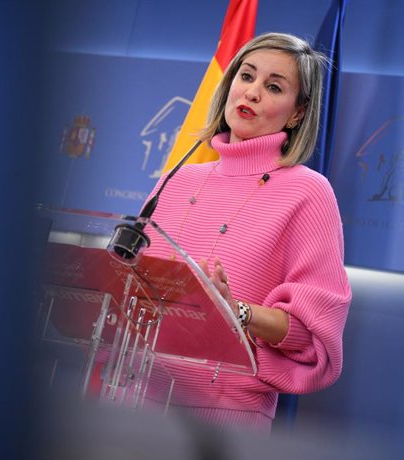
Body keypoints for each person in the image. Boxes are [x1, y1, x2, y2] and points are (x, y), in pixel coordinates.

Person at [142, 32, 351, 433]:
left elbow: (312, 337)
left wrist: (234, 309)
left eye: (273, 86)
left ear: (296, 113)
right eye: (247, 76)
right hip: (133, 400)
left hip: (223, 423)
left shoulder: (308, 192)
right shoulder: (178, 178)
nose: (252, 92)